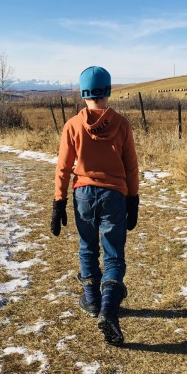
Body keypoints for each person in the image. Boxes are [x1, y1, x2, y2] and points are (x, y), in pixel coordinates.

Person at [51, 66, 139, 345]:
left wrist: (59, 201)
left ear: (83, 92)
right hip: (114, 195)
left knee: (88, 247)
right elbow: (131, 167)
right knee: (113, 255)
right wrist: (133, 198)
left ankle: (92, 301)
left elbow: (63, 168)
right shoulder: (122, 124)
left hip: (83, 194)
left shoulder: (72, 125)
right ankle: (109, 310)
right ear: (108, 90)